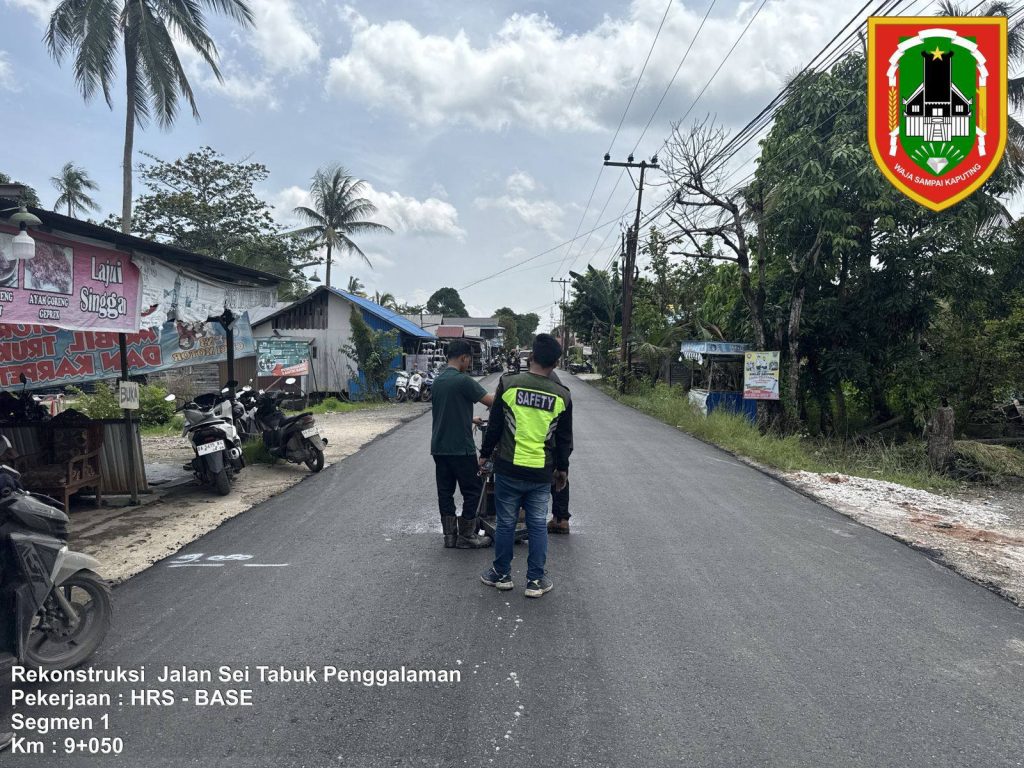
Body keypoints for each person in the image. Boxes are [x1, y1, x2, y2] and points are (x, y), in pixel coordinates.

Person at [479, 334, 572, 598]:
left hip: (508, 468)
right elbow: (564, 439)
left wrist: (484, 455)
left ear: (530, 357)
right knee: (538, 524)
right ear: (556, 363)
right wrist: (562, 469)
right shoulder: (562, 395)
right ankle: (535, 581)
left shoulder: (508, 384)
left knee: (506, 523)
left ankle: (501, 575)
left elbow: (495, 426)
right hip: (541, 473)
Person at [431, 339, 494, 549]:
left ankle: (449, 536)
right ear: (464, 357)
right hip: (460, 447)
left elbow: (448, 412)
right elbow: (490, 400)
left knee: (445, 491)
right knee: (473, 490)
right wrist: (508, 390)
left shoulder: (438, 381)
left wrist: (470, 419)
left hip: (439, 447)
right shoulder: (463, 381)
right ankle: (467, 535)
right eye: (469, 359)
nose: (469, 363)